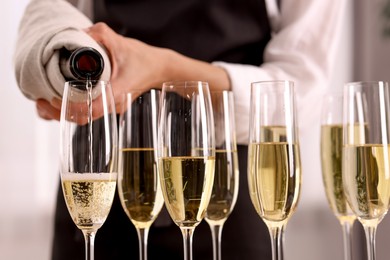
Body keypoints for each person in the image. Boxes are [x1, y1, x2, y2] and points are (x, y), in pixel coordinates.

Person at [14, 0, 347, 259]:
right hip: (100, 178)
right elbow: (54, 14)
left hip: (225, 195)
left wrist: (164, 68)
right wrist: (52, 66)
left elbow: (300, 91)